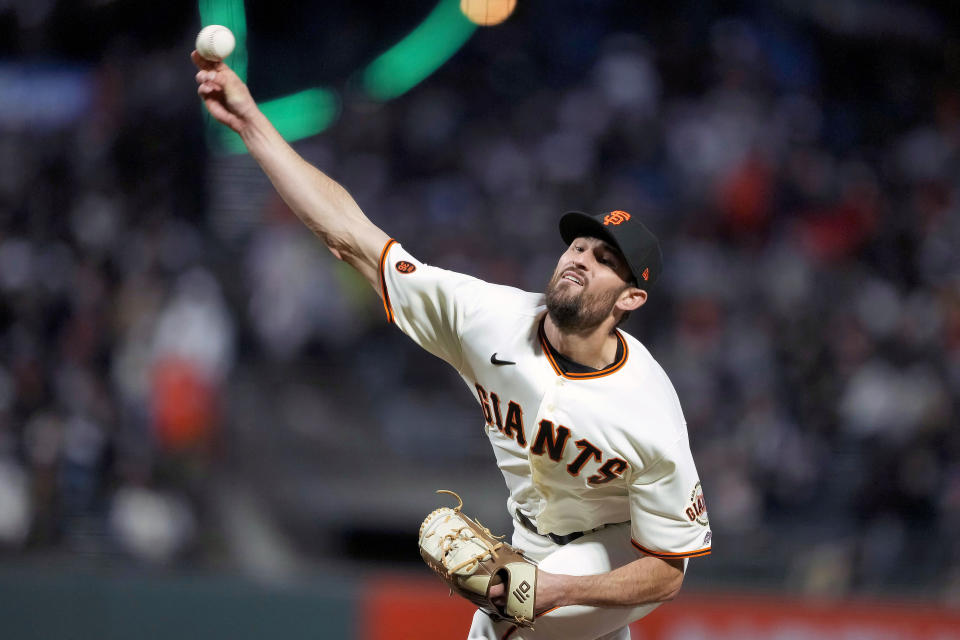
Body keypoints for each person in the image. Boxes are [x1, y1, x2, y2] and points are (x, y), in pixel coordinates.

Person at [192, 50, 711, 640]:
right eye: (580, 248)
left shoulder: (649, 408)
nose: (581, 260)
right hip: (533, 537)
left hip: (619, 554)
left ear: (631, 299)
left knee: (500, 623)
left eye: (606, 260)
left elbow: (669, 571)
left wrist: (554, 589)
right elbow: (351, 237)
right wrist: (251, 122)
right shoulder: (488, 317)